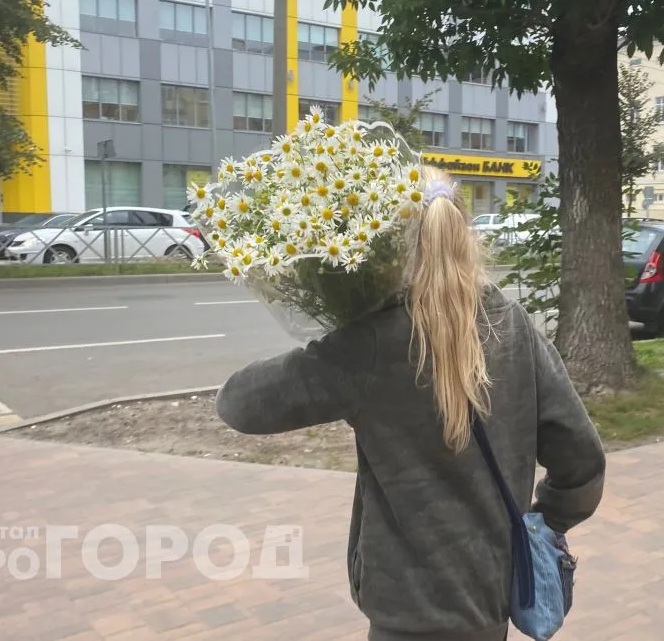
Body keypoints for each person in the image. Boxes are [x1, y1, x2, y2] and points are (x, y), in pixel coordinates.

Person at [214, 166, 607, 641]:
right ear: (464, 235)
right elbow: (582, 460)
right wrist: (543, 522)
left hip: (406, 607)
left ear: (388, 249)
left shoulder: (373, 344)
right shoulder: (514, 329)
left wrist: (339, 338)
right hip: (491, 598)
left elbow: (238, 404)